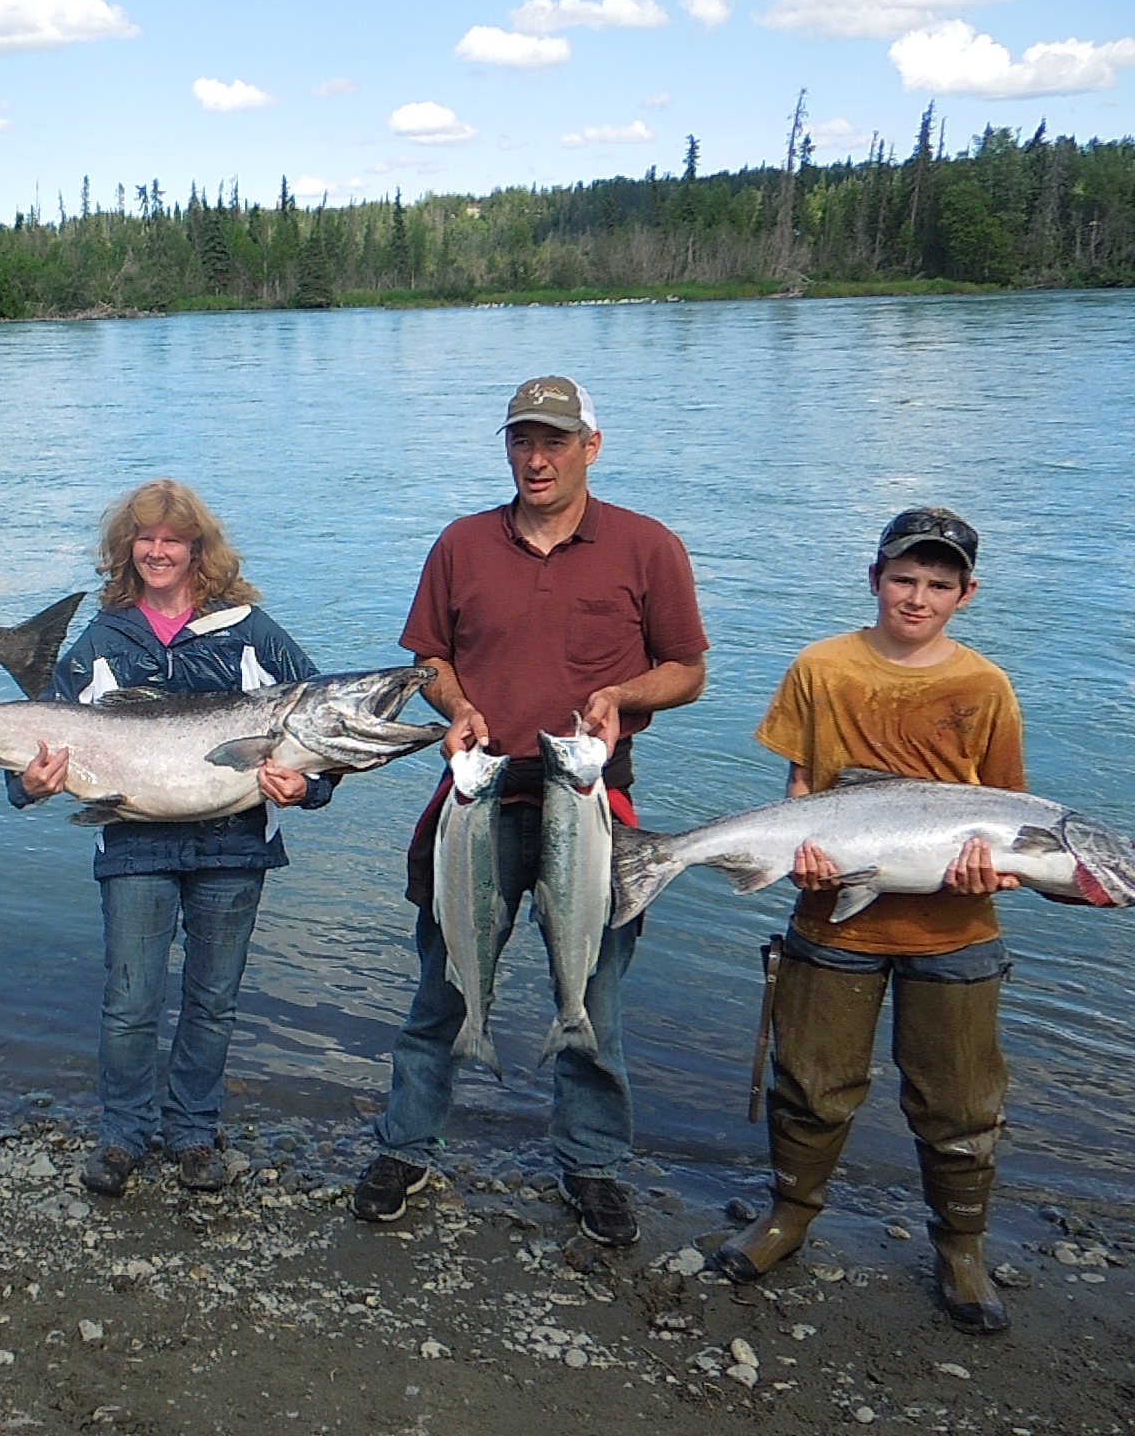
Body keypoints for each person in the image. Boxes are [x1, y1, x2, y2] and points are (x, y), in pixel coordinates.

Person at [352, 375, 709, 1245]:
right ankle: (407, 1144)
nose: (536, 459)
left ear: (592, 444)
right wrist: (457, 708)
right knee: (441, 987)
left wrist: (623, 693)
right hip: (477, 800)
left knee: (594, 994)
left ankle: (592, 1166)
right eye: (521, 441)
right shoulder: (462, 545)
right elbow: (429, 658)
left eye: (554, 441)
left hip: (589, 811)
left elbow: (689, 670)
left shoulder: (647, 546)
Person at [712, 508, 1024, 1333]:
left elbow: (1010, 816)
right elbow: (802, 795)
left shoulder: (984, 686)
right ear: (874, 578)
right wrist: (804, 849)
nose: (917, 598)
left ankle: (961, 1248)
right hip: (834, 919)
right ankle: (790, 1216)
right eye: (903, 579)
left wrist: (994, 870)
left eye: (938, 584)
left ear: (966, 593)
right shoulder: (822, 667)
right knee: (811, 1081)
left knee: (959, 1097)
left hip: (957, 930)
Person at [12, 479, 334, 1197]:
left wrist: (306, 788)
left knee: (213, 998)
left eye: (172, 539)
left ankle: (193, 1130)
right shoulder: (100, 641)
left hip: (235, 846)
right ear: (128, 549)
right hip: (133, 846)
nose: (158, 551)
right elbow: (39, 738)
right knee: (131, 1000)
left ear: (197, 549)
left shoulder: (252, 631)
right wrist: (29, 785)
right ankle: (124, 1134)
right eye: (145, 538)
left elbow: (324, 725)